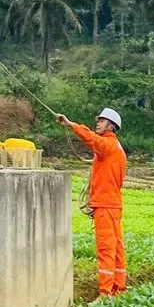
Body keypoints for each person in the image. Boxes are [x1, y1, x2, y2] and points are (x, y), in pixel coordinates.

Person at [56, 108, 127, 297]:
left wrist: (70, 124)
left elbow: (91, 139)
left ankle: (105, 293)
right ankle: (118, 288)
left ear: (111, 126)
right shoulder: (114, 147)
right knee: (117, 248)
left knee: (106, 247)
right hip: (112, 203)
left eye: (102, 121)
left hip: (106, 204)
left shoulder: (107, 146)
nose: (98, 123)